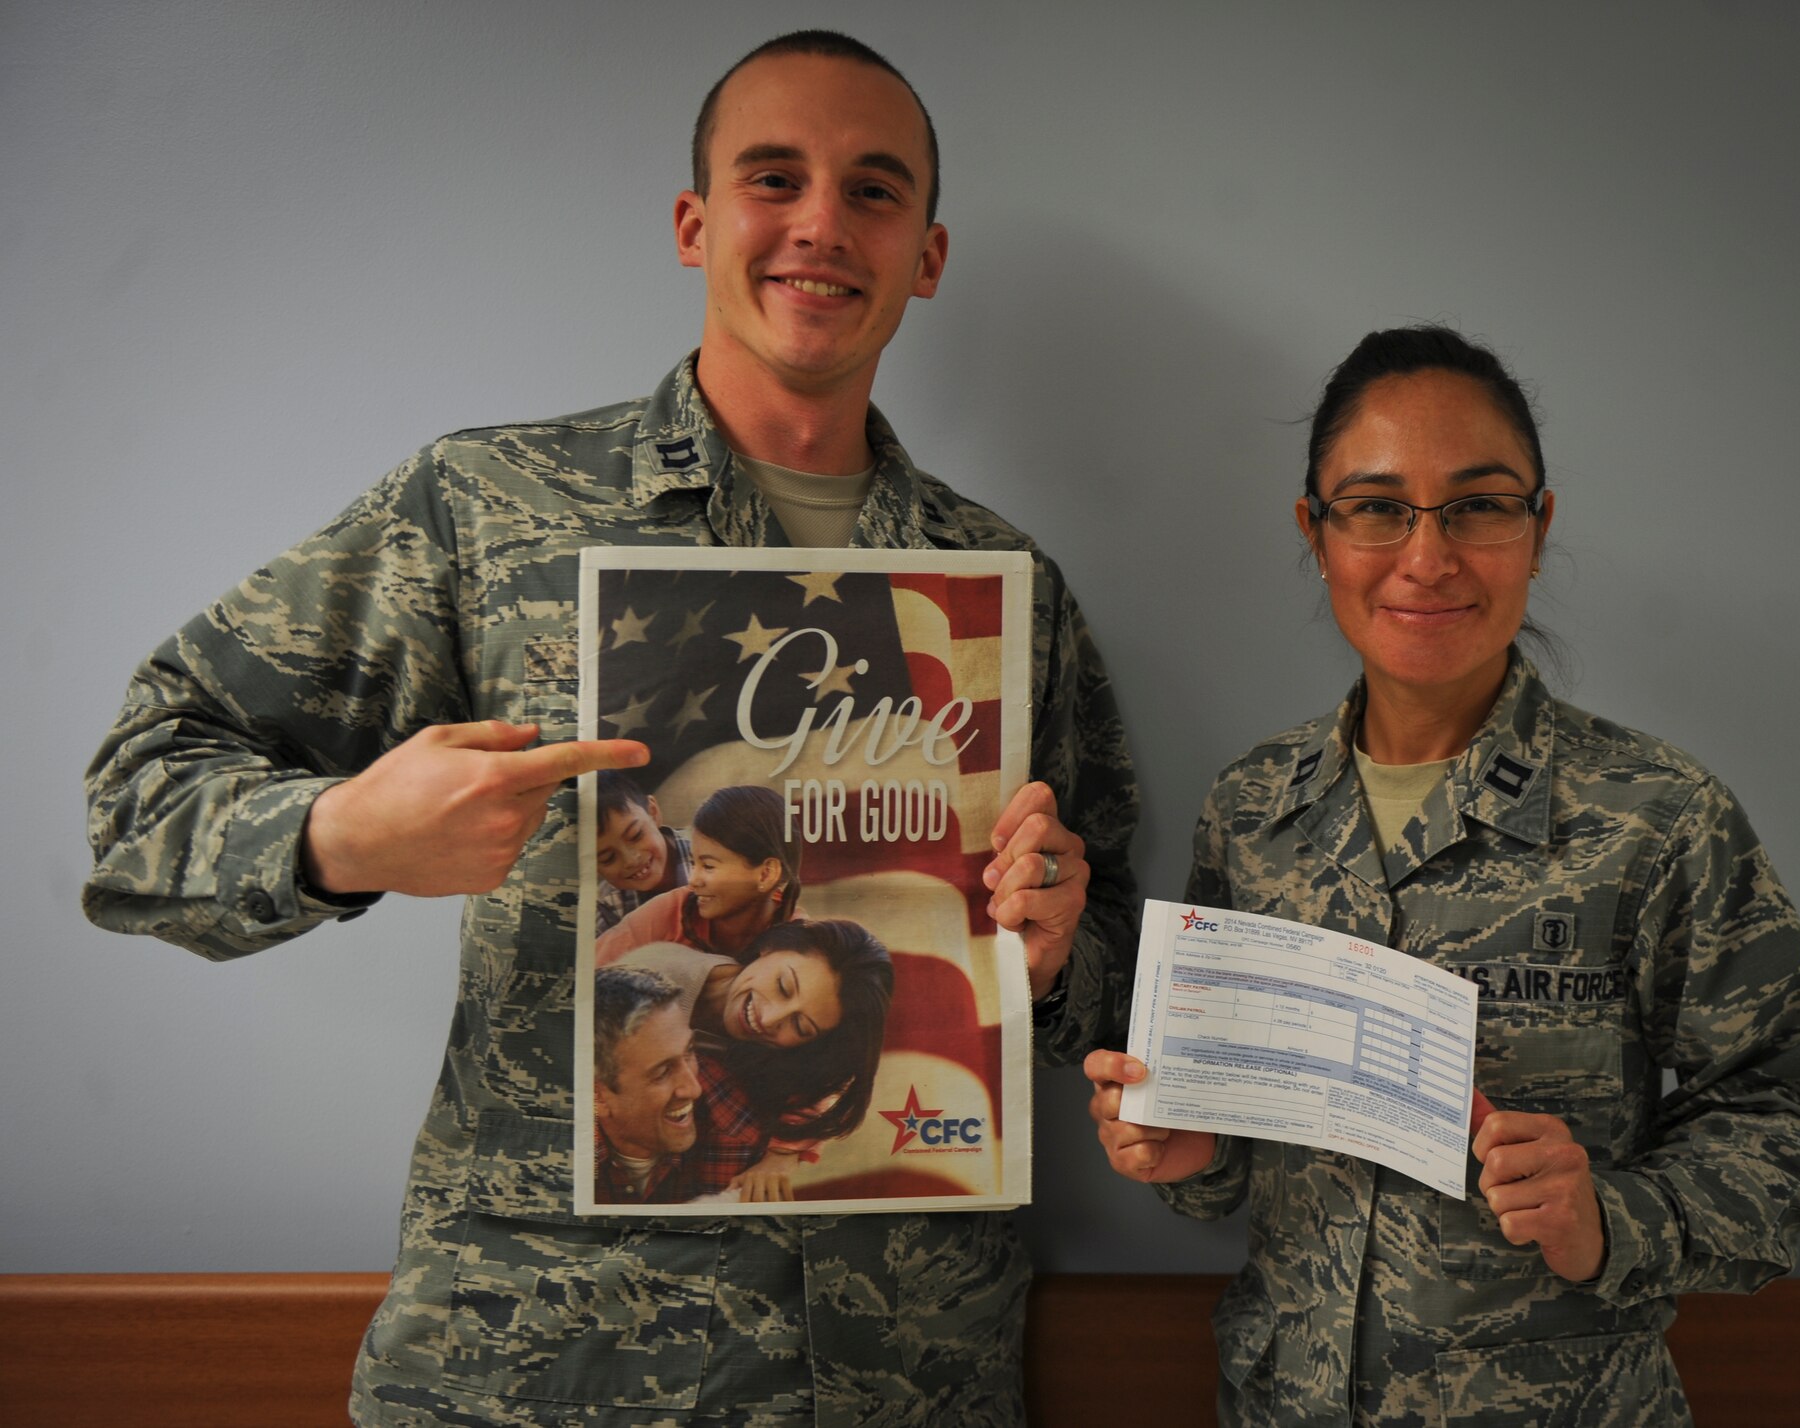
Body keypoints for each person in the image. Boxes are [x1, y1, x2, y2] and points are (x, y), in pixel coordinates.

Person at [82, 29, 1137, 1428]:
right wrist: (348, 835)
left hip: (901, 1380)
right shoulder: (482, 508)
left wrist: (1063, 944)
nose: (822, 222)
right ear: (697, 225)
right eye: (776, 179)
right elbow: (139, 794)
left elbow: (1111, 961)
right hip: (549, 1367)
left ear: (926, 256)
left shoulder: (1004, 596)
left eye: (874, 191)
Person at [1086, 326, 1800, 1427]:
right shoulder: (1250, 813)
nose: (1426, 556)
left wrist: (1609, 1218)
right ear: (1316, 532)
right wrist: (1186, 1150)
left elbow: (1791, 1123)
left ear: (1537, 529)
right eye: (1377, 506)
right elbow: (1229, 1164)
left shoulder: (1657, 817)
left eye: (1478, 506)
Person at [613, 917, 896, 1203]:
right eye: (783, 986)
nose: (770, 1018)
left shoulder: (773, 1060)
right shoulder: (645, 981)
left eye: (800, 1026)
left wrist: (781, 1157)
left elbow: (822, 1086)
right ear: (770, 946)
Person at [597, 783, 803, 963]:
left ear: (766, 874)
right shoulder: (668, 911)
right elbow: (588, 978)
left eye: (708, 866)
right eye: (693, 863)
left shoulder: (797, 936)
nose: (693, 881)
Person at [592, 965, 728, 1204]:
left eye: (689, 1052)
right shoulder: (554, 1162)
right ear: (598, 1097)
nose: (694, 1089)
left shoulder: (737, 1138)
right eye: (663, 1072)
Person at [592, 770, 690, 935]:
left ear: (653, 812)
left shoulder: (713, 852)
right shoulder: (607, 907)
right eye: (608, 858)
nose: (630, 860)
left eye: (636, 835)